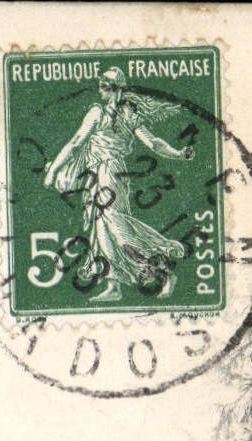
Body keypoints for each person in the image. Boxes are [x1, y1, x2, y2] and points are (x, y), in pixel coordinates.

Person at [44, 66, 196, 301]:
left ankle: (163, 261)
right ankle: (114, 286)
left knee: (115, 227)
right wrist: (177, 153)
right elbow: (153, 143)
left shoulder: (104, 113)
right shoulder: (125, 114)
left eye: (105, 86)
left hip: (109, 172)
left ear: (115, 90)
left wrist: (53, 170)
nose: (100, 90)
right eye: (101, 85)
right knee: (103, 230)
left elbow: (76, 142)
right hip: (103, 174)